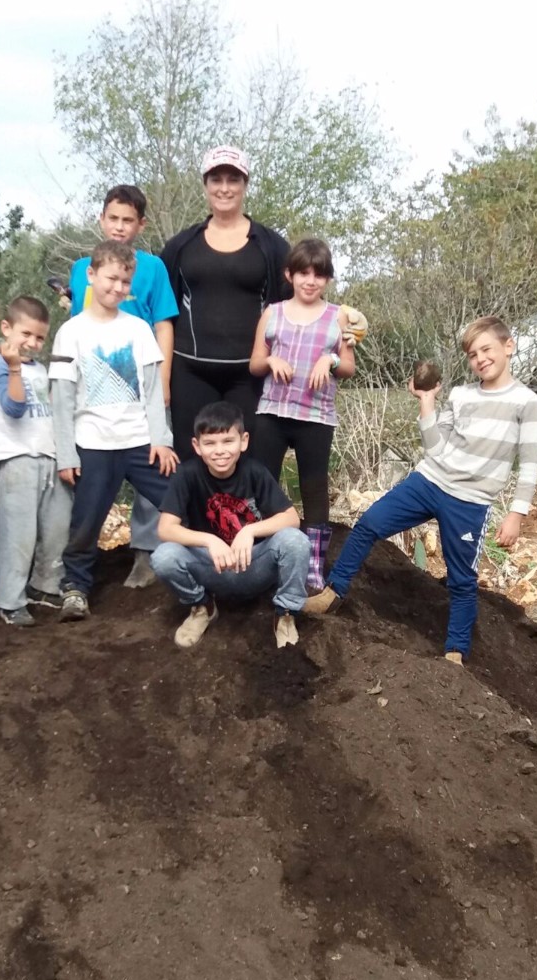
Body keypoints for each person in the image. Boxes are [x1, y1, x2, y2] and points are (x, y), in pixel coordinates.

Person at [305, 316, 537, 663]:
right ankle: (332, 593)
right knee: (369, 523)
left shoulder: (527, 402)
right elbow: (434, 448)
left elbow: (531, 462)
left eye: (487, 349)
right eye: (473, 354)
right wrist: (427, 401)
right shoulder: (462, 395)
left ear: (508, 346)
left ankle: (455, 653)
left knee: (461, 580)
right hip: (429, 481)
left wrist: (517, 512)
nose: (480, 359)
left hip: (470, 501)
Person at [50, 240, 178, 622]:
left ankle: (206, 568)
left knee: (181, 498)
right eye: (111, 278)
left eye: (125, 281)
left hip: (140, 442)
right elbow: (61, 397)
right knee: (86, 521)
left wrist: (162, 439)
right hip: (93, 444)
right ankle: (75, 588)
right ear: (91, 276)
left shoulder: (138, 330)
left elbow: (153, 390)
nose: (118, 287)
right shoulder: (71, 332)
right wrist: (66, 453)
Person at [68, 185, 179, 588]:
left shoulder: (152, 268)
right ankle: (77, 565)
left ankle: (147, 552)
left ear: (140, 225)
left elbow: (164, 321)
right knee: (91, 479)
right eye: (113, 218)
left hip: (142, 384)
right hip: (96, 392)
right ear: (101, 219)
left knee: (153, 468)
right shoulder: (83, 267)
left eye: (127, 220)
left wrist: (163, 379)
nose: (119, 226)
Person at [160, 146, 290, 460]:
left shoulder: (271, 246)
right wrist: (161, 382)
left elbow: (295, 307)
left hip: (250, 376)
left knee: (250, 463)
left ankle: (251, 512)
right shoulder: (181, 246)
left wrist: (342, 321)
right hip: (190, 372)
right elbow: (160, 313)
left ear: (245, 185)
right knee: (192, 464)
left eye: (233, 179)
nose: (224, 187)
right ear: (205, 185)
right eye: (216, 179)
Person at [152, 401, 309, 649]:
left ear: (243, 441)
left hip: (254, 565)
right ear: (197, 446)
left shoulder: (254, 472)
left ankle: (285, 614)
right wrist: (210, 540)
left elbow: (291, 518)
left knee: (295, 541)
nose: (219, 451)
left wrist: (249, 531)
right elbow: (165, 528)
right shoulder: (187, 475)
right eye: (210, 443)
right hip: (212, 568)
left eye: (228, 441)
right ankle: (203, 606)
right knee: (164, 556)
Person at [249, 238, 356, 595]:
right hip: (273, 412)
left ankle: (313, 565)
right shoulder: (273, 313)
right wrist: (271, 361)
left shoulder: (337, 315)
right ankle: (263, 554)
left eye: (319, 275)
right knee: (263, 482)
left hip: (316, 415)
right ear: (289, 274)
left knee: (314, 486)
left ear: (327, 279)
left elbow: (349, 366)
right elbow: (254, 363)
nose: (310, 281)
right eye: (303, 274)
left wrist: (331, 359)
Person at [0, 296, 73, 627]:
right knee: (18, 534)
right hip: (18, 459)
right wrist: (13, 367)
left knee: (56, 528)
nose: (33, 344)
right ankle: (10, 600)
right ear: (6, 329)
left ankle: (44, 585)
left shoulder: (41, 368)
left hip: (49, 457)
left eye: (39, 338)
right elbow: (14, 408)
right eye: (26, 335)